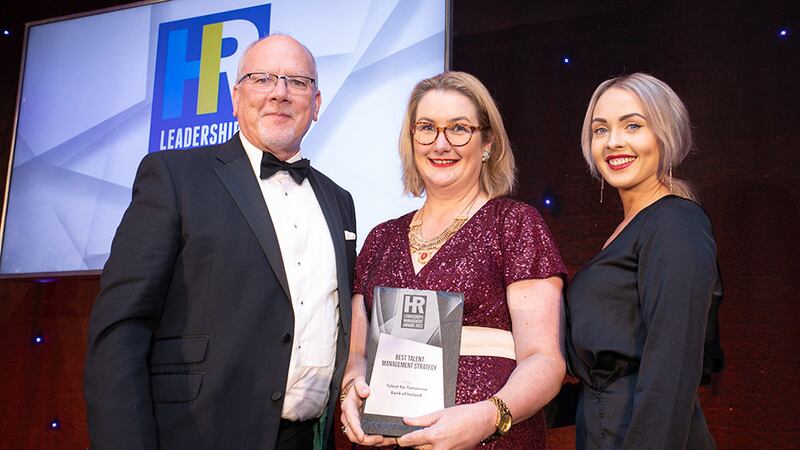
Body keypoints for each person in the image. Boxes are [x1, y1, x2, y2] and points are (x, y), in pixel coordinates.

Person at [84, 35, 357, 450]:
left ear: (316, 104)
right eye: (262, 78)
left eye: (297, 82)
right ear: (235, 97)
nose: (280, 93)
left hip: (307, 439)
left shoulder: (339, 201)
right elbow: (121, 328)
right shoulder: (174, 176)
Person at [339, 71, 567, 449]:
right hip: (387, 442)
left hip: (490, 441)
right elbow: (357, 356)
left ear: (487, 143)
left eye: (459, 128)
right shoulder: (380, 239)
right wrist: (350, 393)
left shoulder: (514, 224)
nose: (441, 144)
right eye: (427, 128)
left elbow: (545, 361)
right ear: (411, 140)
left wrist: (487, 417)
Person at [566, 73, 724, 449]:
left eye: (633, 126)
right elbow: (604, 382)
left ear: (665, 135)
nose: (613, 142)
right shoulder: (627, 231)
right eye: (600, 130)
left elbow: (673, 369)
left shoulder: (675, 222)